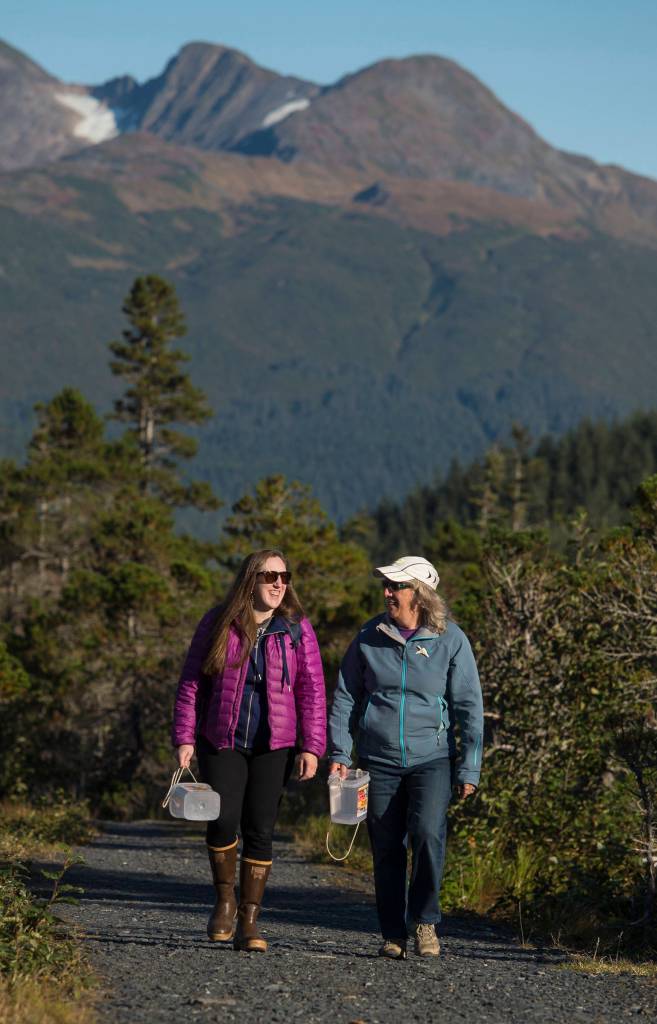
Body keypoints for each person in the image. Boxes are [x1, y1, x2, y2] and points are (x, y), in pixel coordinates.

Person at [328, 555, 483, 960]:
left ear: (420, 593)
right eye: (388, 586)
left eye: (396, 586)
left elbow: (469, 706)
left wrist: (469, 766)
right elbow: (345, 695)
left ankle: (425, 921)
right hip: (378, 760)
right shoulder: (369, 635)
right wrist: (340, 752)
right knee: (386, 846)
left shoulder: (451, 639)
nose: (387, 593)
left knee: (429, 834)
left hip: (431, 757)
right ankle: (393, 933)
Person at [172, 548, 326, 952]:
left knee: (260, 828)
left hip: (274, 744)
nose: (279, 583)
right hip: (221, 738)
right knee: (222, 819)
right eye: (269, 576)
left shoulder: (296, 628)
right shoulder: (219, 621)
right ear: (249, 580)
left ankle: (249, 920)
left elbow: (312, 689)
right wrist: (185, 737)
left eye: (284, 576)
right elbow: (193, 682)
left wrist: (312, 745)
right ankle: (225, 900)